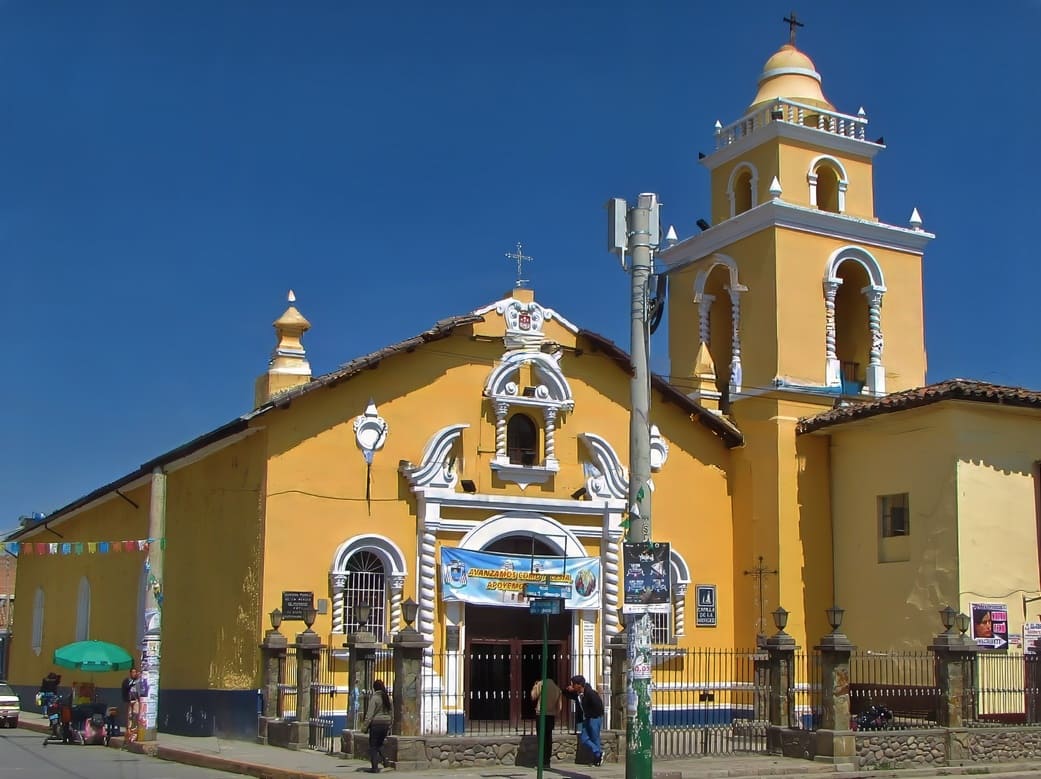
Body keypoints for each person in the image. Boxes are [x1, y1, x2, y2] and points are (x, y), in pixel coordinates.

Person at [563, 674, 604, 766]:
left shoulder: (590, 693)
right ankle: (598, 751)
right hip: (583, 719)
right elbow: (565, 693)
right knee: (583, 738)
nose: (572, 685)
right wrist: (567, 689)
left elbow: (599, 706)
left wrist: (591, 716)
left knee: (594, 737)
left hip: (594, 717)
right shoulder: (576, 694)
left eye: (573, 684)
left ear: (579, 685)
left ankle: (597, 758)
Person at [360, 679, 393, 773]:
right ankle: (385, 760)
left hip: (376, 724)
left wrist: (364, 727)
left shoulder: (374, 698)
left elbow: (369, 715)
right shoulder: (388, 698)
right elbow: (392, 713)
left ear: (374, 688)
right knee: (380, 743)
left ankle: (374, 767)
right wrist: (390, 724)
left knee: (373, 745)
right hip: (386, 724)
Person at [530, 676, 562, 768]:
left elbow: (533, 696)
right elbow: (559, 707)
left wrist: (535, 686)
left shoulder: (541, 684)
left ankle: (541, 761)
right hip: (551, 715)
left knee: (541, 739)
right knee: (548, 738)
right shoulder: (557, 688)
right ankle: (547, 761)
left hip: (541, 714)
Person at [121, 668, 141, 747]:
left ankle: (134, 730)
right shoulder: (127, 681)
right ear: (130, 673)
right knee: (129, 716)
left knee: (136, 714)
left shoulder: (138, 681)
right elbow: (127, 687)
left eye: (135, 672)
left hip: (136, 700)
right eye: (132, 672)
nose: (134, 673)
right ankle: (128, 731)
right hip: (129, 700)